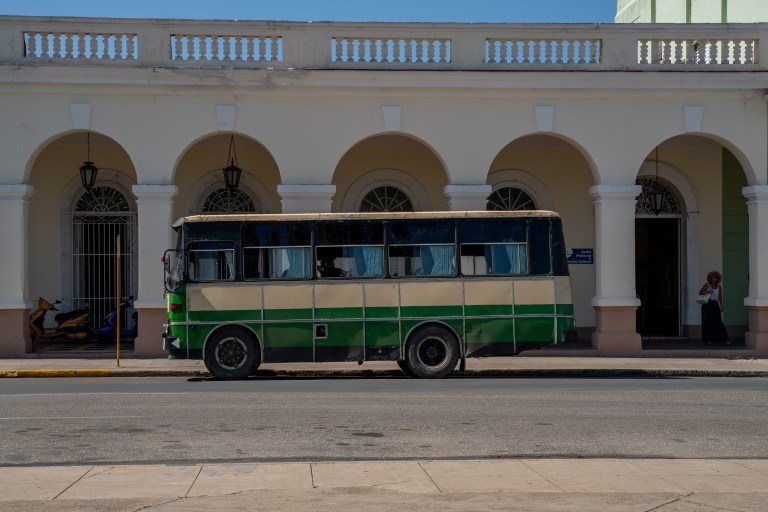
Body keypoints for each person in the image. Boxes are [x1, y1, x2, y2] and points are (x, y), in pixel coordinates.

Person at [699, 271, 730, 345]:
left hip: (715, 304)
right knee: (707, 322)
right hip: (707, 304)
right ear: (710, 278)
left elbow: (720, 297)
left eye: (716, 277)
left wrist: (721, 306)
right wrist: (707, 292)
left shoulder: (719, 286)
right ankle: (708, 339)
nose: (714, 279)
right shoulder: (707, 285)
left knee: (718, 321)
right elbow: (700, 292)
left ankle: (723, 339)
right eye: (713, 277)